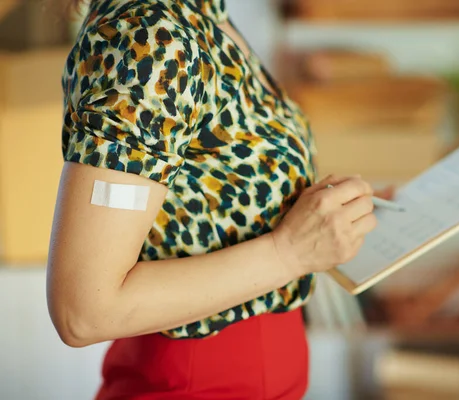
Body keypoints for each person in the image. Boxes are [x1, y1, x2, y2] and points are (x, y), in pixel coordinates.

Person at [46, 0, 381, 398]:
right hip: (196, 383)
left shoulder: (203, 12)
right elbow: (84, 312)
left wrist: (331, 215)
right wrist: (290, 252)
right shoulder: (153, 39)